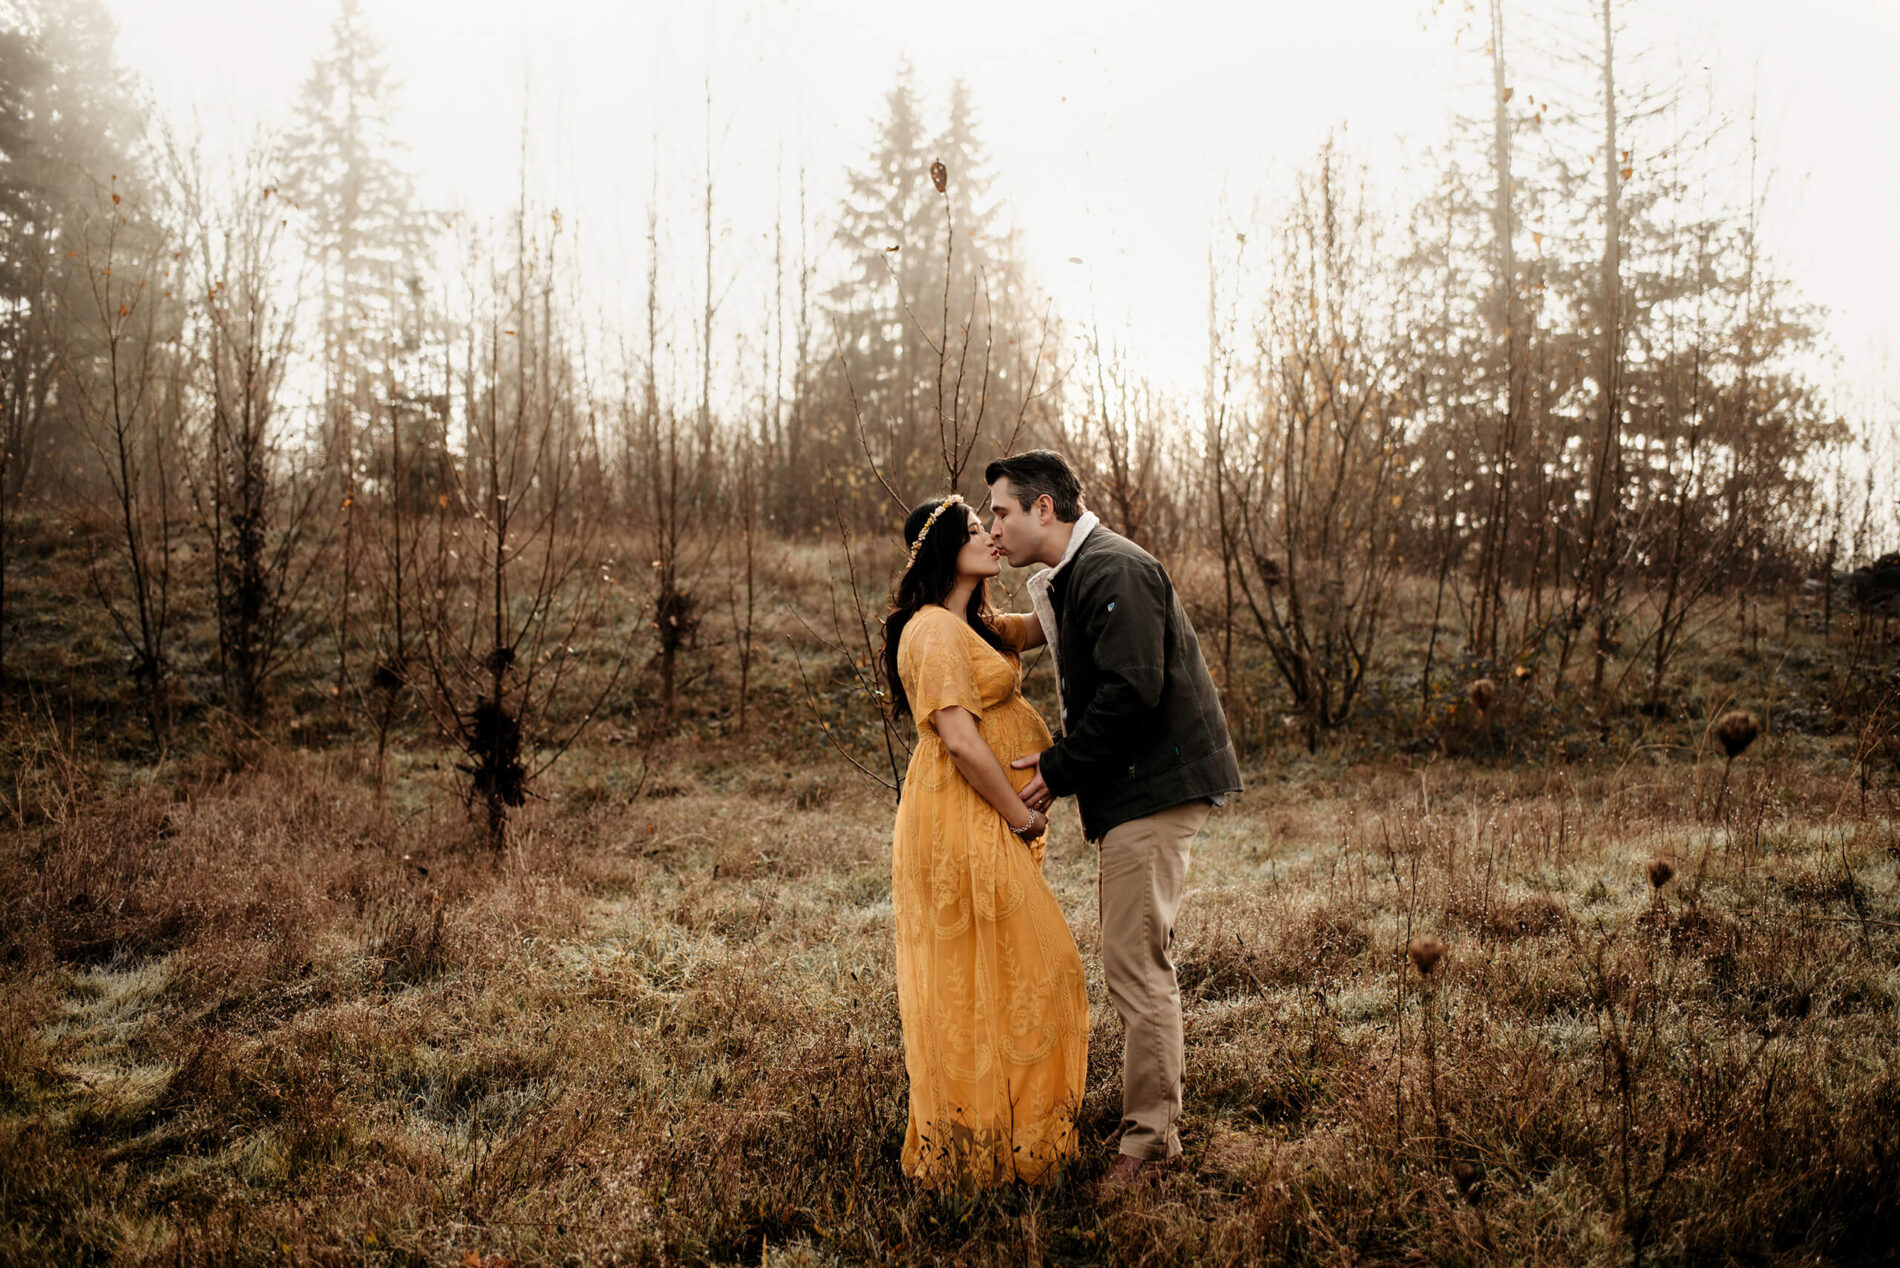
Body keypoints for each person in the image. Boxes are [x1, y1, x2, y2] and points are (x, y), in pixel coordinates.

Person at [985, 450, 1243, 1197]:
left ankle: (1152, 1146)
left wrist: (1056, 772)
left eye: (1001, 511)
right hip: (1137, 790)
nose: (995, 526)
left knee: (1136, 966)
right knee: (1134, 957)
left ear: (1043, 509)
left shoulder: (1114, 569)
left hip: (1153, 788)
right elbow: (1044, 629)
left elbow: (1132, 690)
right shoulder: (1077, 574)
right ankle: (1151, 1126)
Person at [880, 492, 1089, 1190]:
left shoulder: (972, 623)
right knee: (1032, 970)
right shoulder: (934, 630)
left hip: (971, 815)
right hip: (960, 816)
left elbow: (1042, 627)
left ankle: (1002, 1141)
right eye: (977, 529)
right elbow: (963, 743)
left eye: (991, 524)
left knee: (994, 975)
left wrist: (1078, 548)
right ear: (943, 547)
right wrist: (1020, 816)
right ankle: (980, 1146)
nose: (991, 536)